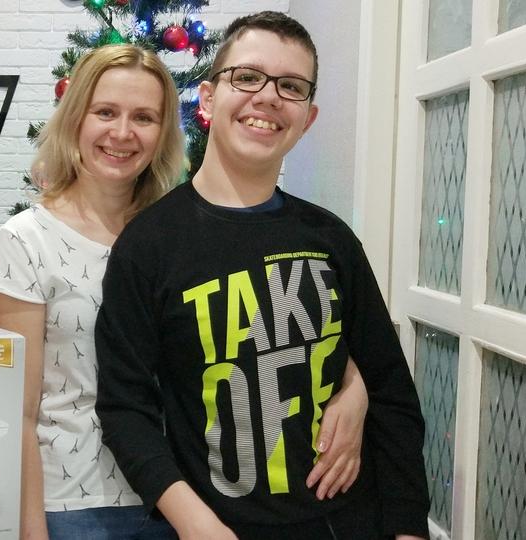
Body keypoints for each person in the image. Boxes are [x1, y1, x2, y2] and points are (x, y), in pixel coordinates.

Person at [0, 44, 369, 540]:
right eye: (105, 112)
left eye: (144, 117)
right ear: (75, 117)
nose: (123, 133)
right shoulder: (27, 240)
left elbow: (277, 329)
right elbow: (18, 410)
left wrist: (354, 388)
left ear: (163, 132)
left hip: (188, 495)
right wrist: (31, 533)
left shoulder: (182, 231)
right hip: (80, 505)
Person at [95, 11, 429, 540]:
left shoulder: (332, 239)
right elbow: (124, 409)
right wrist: (196, 524)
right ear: (208, 100)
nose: (269, 97)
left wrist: (409, 530)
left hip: (347, 524)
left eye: (290, 86)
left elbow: (391, 391)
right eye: (248, 77)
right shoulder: (148, 246)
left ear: (307, 118)